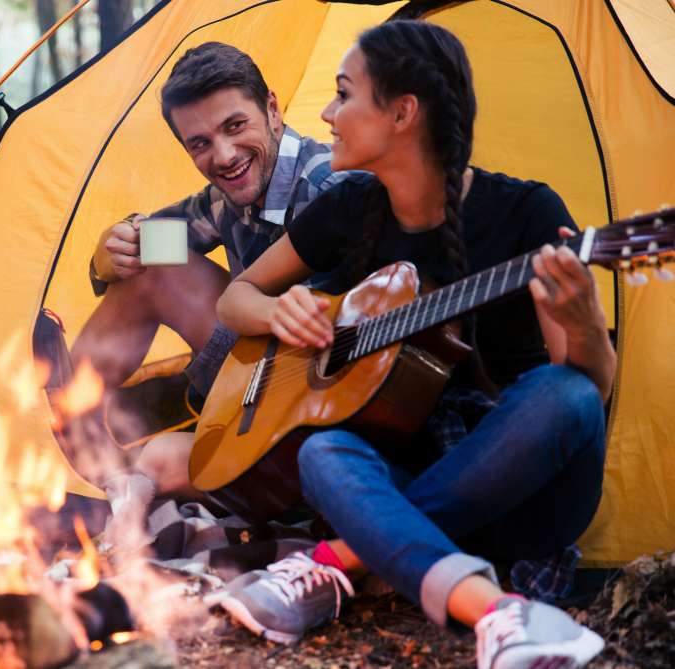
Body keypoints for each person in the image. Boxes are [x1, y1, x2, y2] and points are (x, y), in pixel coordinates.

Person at [212, 20, 613, 669]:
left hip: (523, 494)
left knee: (564, 393)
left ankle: (342, 557)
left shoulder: (528, 213)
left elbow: (584, 391)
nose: (327, 111)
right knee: (323, 452)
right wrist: (277, 309)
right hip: (406, 477)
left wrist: (587, 321)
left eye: (344, 94)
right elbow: (235, 297)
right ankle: (498, 611)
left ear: (402, 113)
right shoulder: (348, 209)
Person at [67, 42, 355, 499]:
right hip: (254, 374)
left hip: (322, 400)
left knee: (160, 461)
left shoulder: (332, 190)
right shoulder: (224, 202)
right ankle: (68, 425)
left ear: (273, 110)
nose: (223, 156)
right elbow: (143, 245)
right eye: (199, 144)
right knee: (152, 266)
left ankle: (124, 467)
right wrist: (107, 258)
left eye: (235, 126)